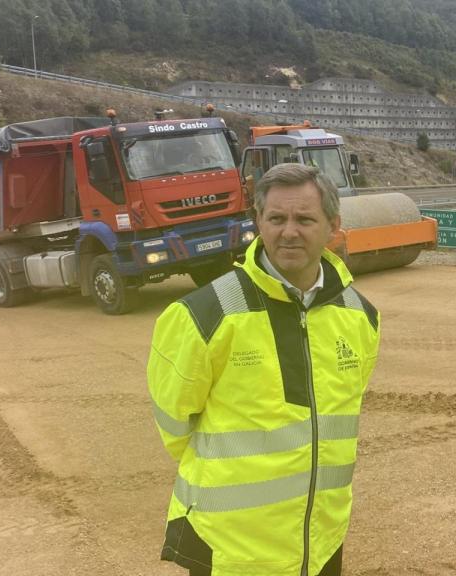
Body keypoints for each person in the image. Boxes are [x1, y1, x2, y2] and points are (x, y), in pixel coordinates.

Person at [147, 163, 381, 576]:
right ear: (258, 221)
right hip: (230, 549)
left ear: (333, 225)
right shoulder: (205, 314)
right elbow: (175, 422)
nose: (289, 231)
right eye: (276, 218)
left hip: (320, 544)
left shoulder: (359, 315)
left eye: (305, 219)